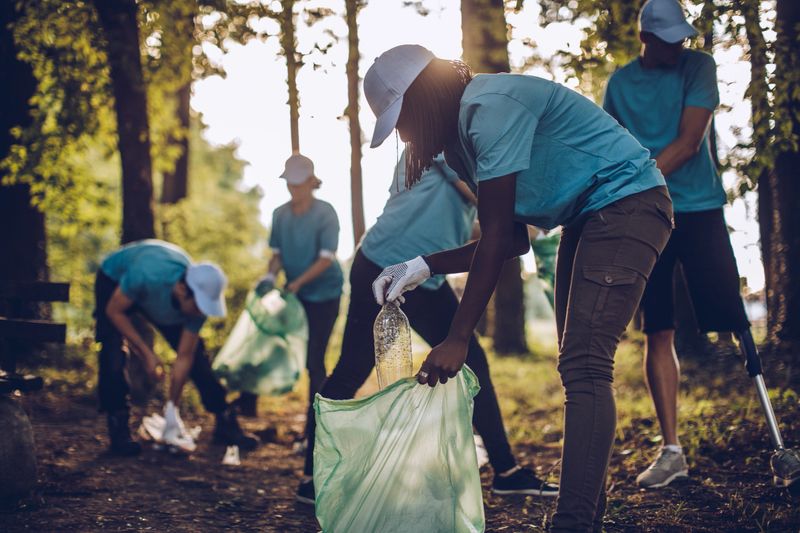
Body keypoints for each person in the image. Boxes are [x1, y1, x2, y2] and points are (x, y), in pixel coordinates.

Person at [363, 44, 674, 532]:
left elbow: (494, 241)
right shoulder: (459, 141)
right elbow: (507, 239)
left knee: (586, 363)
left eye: (402, 118)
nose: (403, 133)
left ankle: (572, 523)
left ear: (424, 96)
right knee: (578, 364)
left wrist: (459, 336)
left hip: (627, 201)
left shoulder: (489, 108)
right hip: (585, 216)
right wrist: (421, 265)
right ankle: (583, 517)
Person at [603, 0, 800, 490]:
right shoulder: (620, 84)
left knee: (734, 318)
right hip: (648, 216)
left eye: (682, 37)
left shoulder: (700, 67)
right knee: (659, 329)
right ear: (646, 38)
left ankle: (777, 443)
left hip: (699, 208)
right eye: (668, 38)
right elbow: (608, 146)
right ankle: (672, 453)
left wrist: (637, 181)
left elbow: (690, 141)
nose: (679, 46)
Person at [295, 151, 559, 505]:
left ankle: (507, 472)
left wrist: (519, 229)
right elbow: (487, 198)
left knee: (471, 359)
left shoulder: (458, 153)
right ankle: (312, 479)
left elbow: (471, 225)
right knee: (351, 371)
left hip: (422, 273)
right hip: (385, 264)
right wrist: (540, 210)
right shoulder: (441, 145)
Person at [95, 239, 259, 456]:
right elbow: (115, 312)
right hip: (114, 280)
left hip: (160, 297)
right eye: (199, 306)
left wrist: (172, 407)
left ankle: (225, 421)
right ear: (183, 290)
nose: (202, 313)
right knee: (112, 353)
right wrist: (147, 355)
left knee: (198, 359)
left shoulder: (196, 303)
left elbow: (184, 357)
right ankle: (119, 430)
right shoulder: (146, 275)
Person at [255, 154, 343, 441]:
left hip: (325, 294)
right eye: (289, 185)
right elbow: (277, 255)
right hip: (297, 295)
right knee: (286, 349)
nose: (293, 190)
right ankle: (249, 404)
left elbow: (325, 259)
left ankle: (315, 429)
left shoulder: (326, 213)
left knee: (315, 360)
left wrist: (296, 283)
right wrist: (270, 276)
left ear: (310, 182)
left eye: (298, 185)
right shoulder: (280, 214)